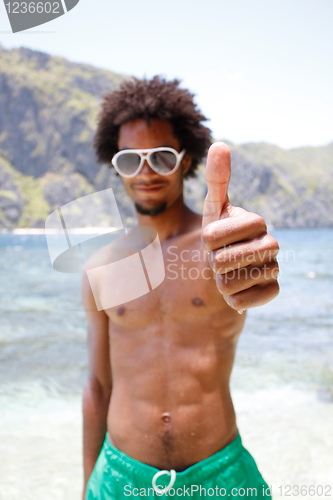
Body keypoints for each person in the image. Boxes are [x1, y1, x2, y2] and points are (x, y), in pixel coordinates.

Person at [82, 76, 279, 499]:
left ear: (186, 161)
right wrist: (86, 487)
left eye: (162, 157)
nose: (146, 171)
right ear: (116, 165)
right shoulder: (100, 267)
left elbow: (250, 271)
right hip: (119, 478)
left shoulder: (219, 247)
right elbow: (98, 387)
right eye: (131, 160)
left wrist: (255, 262)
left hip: (221, 476)